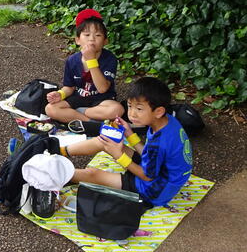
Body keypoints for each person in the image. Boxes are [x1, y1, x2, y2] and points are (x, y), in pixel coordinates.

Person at [62, 77, 194, 208]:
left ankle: (56, 172)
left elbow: (147, 176)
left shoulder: (160, 143)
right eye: (130, 106)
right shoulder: (166, 121)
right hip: (159, 171)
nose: (132, 114)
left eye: (139, 109)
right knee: (106, 141)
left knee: (94, 174)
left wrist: (119, 156)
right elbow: (149, 154)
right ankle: (59, 150)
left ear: (159, 111)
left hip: (154, 191)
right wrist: (129, 133)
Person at [44, 8, 124, 123]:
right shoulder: (72, 60)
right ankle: (90, 123)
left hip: (102, 100)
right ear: (77, 40)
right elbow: (69, 87)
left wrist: (91, 60)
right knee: (50, 109)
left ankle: (78, 114)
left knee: (117, 110)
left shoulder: (110, 59)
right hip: (79, 98)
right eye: (87, 35)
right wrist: (60, 94)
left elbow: (102, 89)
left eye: (98, 35)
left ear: (105, 41)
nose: (92, 39)